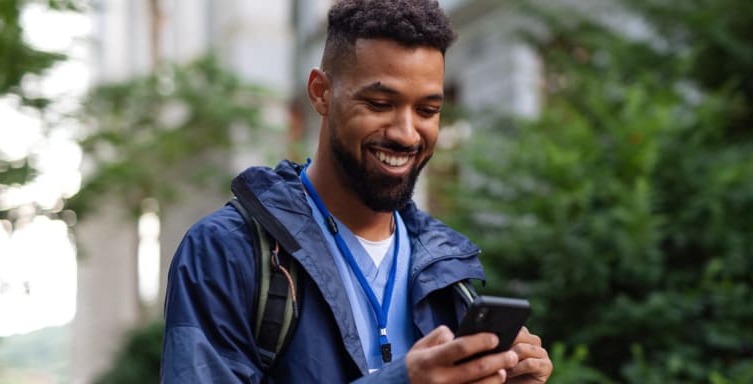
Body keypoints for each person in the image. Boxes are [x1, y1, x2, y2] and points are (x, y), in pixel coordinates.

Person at [161, 0, 552, 382]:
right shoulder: (227, 251)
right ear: (320, 93)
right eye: (380, 103)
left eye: (427, 111)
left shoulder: (447, 270)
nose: (406, 133)